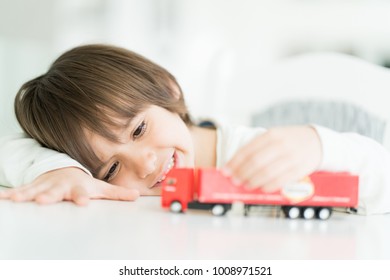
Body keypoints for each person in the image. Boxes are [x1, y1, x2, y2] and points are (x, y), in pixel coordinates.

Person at [0, 44, 389, 215]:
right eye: (112, 169)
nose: (146, 164)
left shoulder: (254, 151)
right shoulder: (102, 189)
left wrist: (318, 145)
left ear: (168, 89)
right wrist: (58, 171)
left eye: (137, 131)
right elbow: (9, 150)